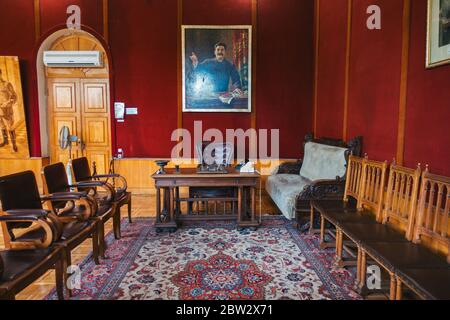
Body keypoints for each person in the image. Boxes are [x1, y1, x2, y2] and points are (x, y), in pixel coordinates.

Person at [0, 69, 18, 152]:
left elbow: (14, 97)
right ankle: (5, 141)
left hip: (7, 110)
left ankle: (14, 145)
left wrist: (7, 103)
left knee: (10, 127)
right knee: (2, 126)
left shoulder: (7, 84)